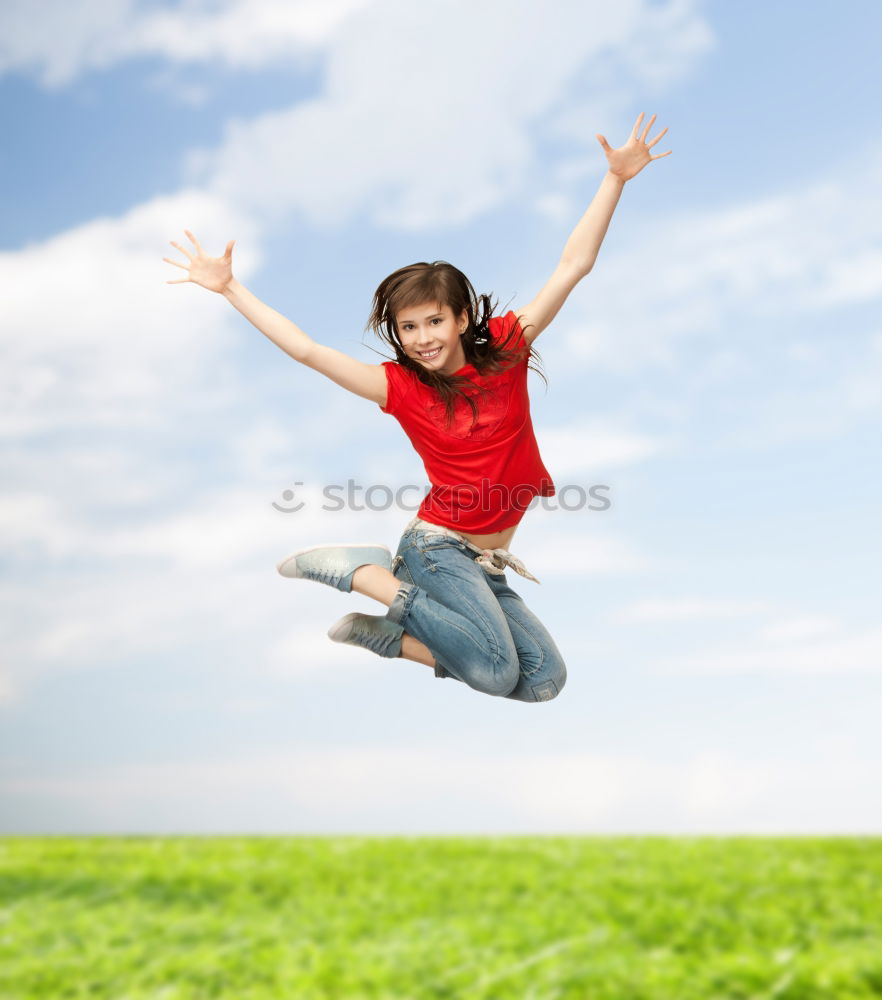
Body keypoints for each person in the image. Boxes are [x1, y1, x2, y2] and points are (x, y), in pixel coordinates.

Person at [164, 112, 671, 703]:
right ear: (397, 334)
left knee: (541, 684)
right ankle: (364, 575)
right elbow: (306, 350)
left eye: (435, 320)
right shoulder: (398, 387)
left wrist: (615, 180)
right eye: (409, 327)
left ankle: (388, 636)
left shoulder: (507, 349)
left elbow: (572, 267)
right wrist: (229, 288)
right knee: (490, 672)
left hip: (487, 561)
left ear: (461, 319)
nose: (424, 336)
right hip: (437, 550)